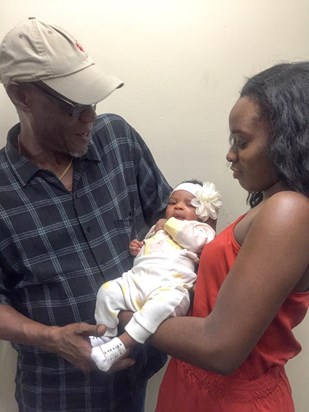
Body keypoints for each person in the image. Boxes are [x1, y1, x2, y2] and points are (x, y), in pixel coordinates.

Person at [0, 17, 172, 412]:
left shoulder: (117, 139)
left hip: (136, 377)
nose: (90, 118)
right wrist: (49, 337)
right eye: (73, 106)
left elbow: (170, 215)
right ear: (21, 96)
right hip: (60, 394)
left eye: (92, 102)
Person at [149, 62, 308, 411]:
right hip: (191, 382)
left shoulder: (289, 210)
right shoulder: (269, 203)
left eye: (242, 141)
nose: (230, 154)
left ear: (288, 140)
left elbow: (219, 348)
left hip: (231, 399)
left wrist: (129, 318)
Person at [90, 180, 222, 372]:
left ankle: (122, 344)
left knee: (158, 308)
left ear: (202, 212)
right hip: (138, 281)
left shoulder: (201, 230)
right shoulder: (158, 228)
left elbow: (194, 240)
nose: (178, 206)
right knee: (107, 291)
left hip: (170, 287)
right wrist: (139, 248)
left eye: (189, 204)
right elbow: (150, 248)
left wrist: (170, 224)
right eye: (172, 202)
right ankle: (105, 335)